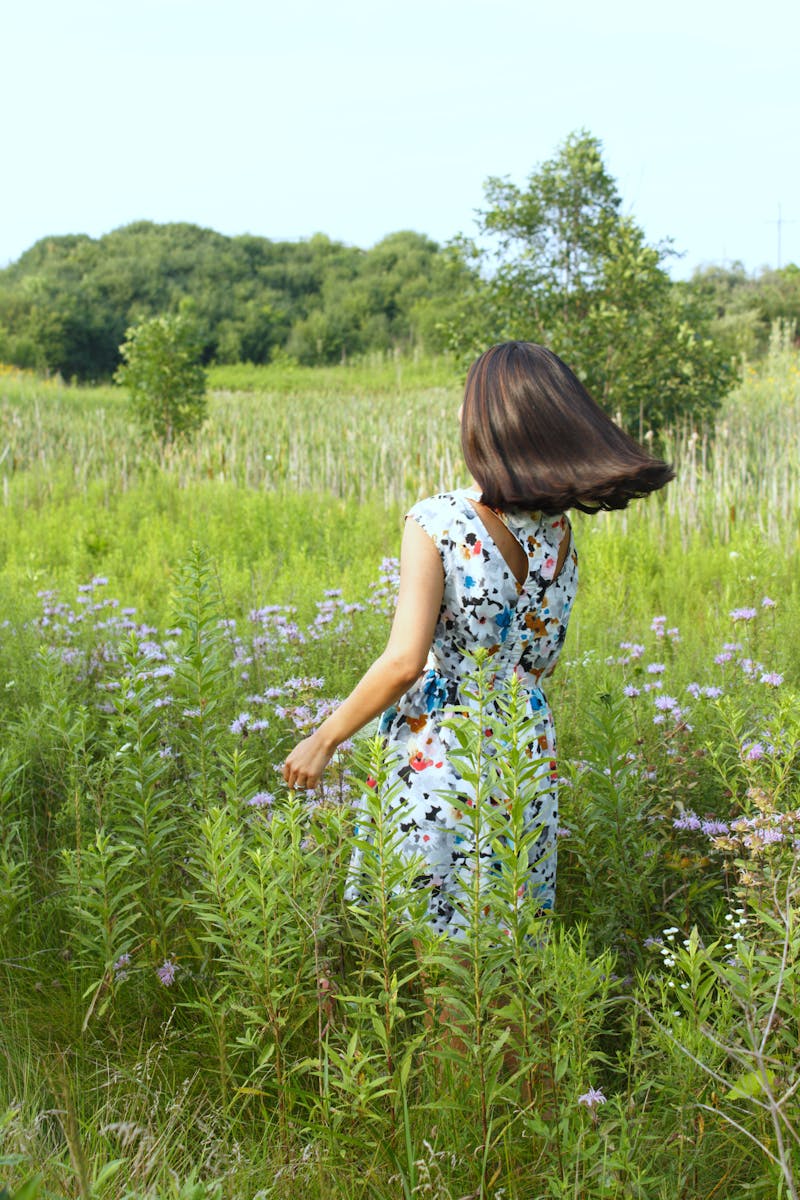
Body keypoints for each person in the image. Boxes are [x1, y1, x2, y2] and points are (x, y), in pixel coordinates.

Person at [282, 341, 674, 935]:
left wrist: (325, 738)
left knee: (442, 963)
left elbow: (404, 662)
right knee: (506, 952)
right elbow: (539, 663)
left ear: (486, 425)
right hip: (526, 749)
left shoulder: (438, 519)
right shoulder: (561, 536)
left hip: (443, 750)